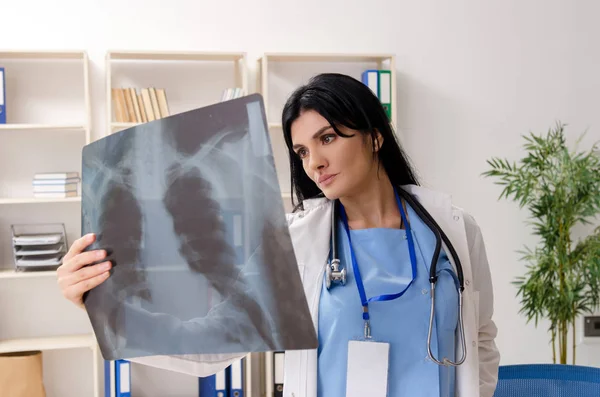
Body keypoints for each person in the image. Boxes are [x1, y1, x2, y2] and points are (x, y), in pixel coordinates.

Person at [57, 73, 500, 396]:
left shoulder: (454, 231)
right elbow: (211, 345)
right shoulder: (296, 243)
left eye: (327, 139)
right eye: (302, 151)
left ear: (375, 135)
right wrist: (102, 304)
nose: (314, 163)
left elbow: (480, 339)